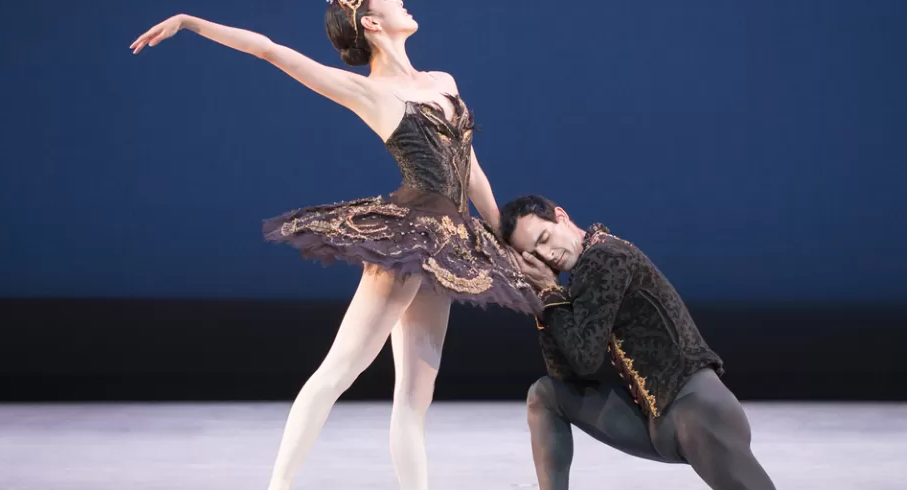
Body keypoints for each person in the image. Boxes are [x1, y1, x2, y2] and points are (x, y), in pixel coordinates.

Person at [129, 2, 541, 489]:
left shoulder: (443, 81)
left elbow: (471, 171)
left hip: (449, 243)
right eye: (390, 0)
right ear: (371, 22)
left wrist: (501, 238)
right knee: (338, 371)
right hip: (409, 238)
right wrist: (191, 22)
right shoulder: (370, 91)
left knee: (415, 397)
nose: (402, 1)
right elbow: (270, 51)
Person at [499, 195, 777, 490]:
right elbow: (563, 374)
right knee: (545, 395)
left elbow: (585, 359)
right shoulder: (585, 270)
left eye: (544, 238)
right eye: (534, 254)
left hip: (698, 412)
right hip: (656, 422)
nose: (547, 254)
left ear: (561, 217)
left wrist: (550, 291)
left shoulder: (604, 257)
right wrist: (544, 296)